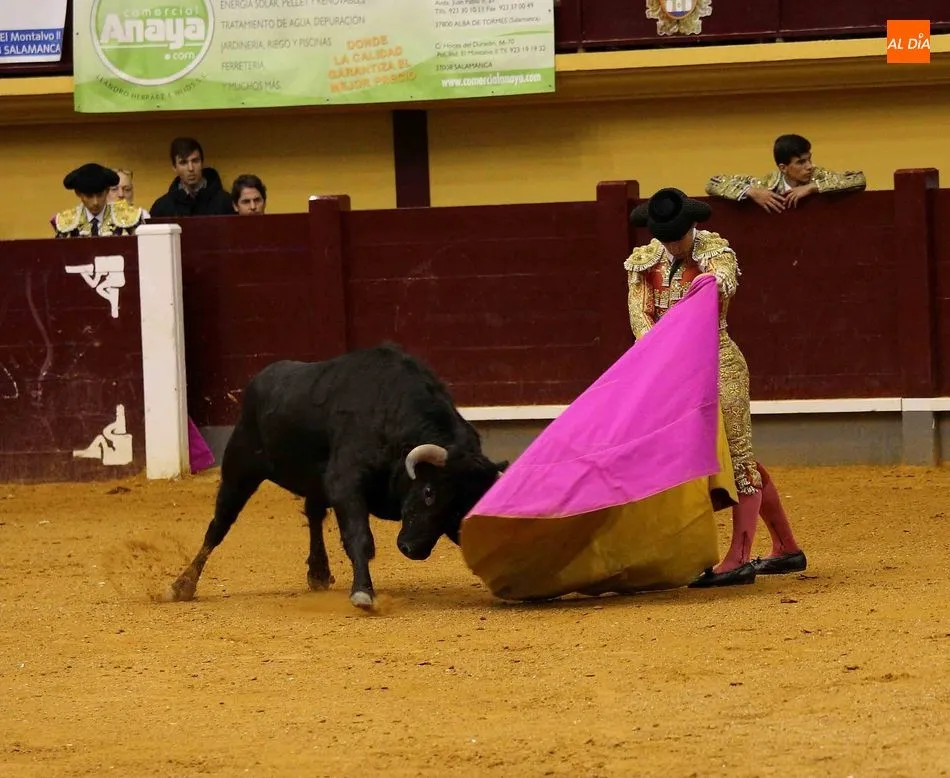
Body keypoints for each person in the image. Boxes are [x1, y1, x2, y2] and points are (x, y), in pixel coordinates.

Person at [625, 187, 807, 587]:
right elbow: (639, 316)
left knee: (738, 456)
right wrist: (658, 355)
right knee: (721, 456)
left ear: (693, 225)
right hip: (670, 369)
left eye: (677, 236)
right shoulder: (644, 261)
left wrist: (708, 283)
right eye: (664, 236)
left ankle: (738, 558)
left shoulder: (715, 252)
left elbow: (723, 283)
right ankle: (787, 548)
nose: (671, 244)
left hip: (719, 362)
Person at [705, 133, 866, 214]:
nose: (810, 166)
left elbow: (858, 179)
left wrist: (813, 187)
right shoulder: (766, 184)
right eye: (801, 162)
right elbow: (713, 183)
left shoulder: (819, 176)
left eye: (809, 159)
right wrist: (751, 191)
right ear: (783, 168)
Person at [52, 163, 147, 238]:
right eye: (89, 196)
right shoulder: (66, 224)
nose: (95, 202)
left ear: (107, 191)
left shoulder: (131, 219)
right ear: (78, 193)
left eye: (100, 195)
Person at [149, 137, 234, 218]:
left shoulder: (225, 202)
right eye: (183, 163)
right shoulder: (161, 208)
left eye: (195, 161)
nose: (191, 168)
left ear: (202, 163)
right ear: (174, 167)